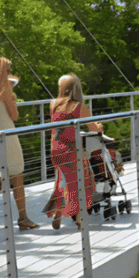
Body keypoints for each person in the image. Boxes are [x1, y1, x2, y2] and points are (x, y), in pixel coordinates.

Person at [0, 55, 38, 236]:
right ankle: (23, 218)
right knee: (17, 177)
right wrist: (12, 98)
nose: (9, 73)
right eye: (7, 70)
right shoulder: (4, 90)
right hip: (8, 138)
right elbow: (14, 116)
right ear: (1, 71)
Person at [46, 72, 101, 230]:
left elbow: (53, 130)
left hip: (56, 149)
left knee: (61, 182)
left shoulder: (53, 104)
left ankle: (58, 213)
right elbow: (93, 128)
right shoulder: (80, 106)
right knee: (82, 182)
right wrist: (100, 127)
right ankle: (78, 219)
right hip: (72, 150)